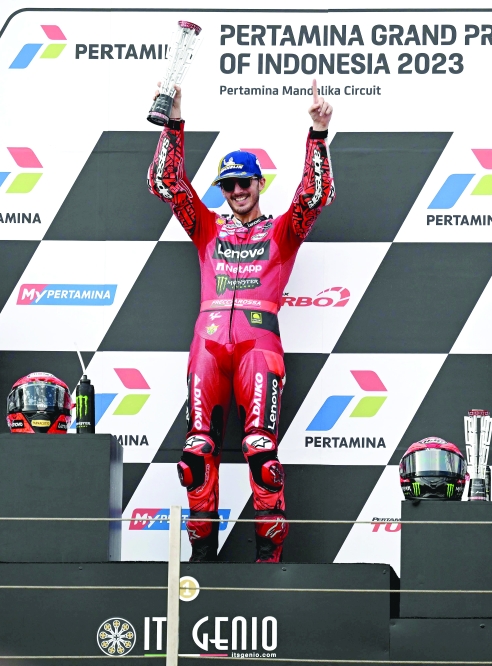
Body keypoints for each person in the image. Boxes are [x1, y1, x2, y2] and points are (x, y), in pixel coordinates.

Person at [148, 79, 335, 563]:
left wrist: (317, 134)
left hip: (259, 345)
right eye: (227, 185)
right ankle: (202, 561)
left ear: (259, 185)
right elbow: (165, 184)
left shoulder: (281, 231)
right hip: (206, 345)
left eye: (243, 184)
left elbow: (315, 197)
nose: (235, 192)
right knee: (194, 456)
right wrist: (174, 123)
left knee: (261, 454)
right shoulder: (207, 227)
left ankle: (268, 563)